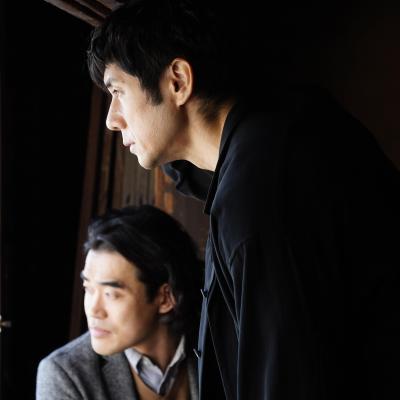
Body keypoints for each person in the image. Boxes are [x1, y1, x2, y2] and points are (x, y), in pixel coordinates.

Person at [86, 1, 400, 399]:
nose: (112, 119)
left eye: (118, 91)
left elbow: (288, 381)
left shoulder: (260, 193)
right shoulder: (281, 130)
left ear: (178, 81)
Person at [36, 205, 202, 400]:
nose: (93, 310)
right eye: (88, 288)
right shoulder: (66, 374)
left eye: (110, 294)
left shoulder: (216, 344)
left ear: (165, 298)